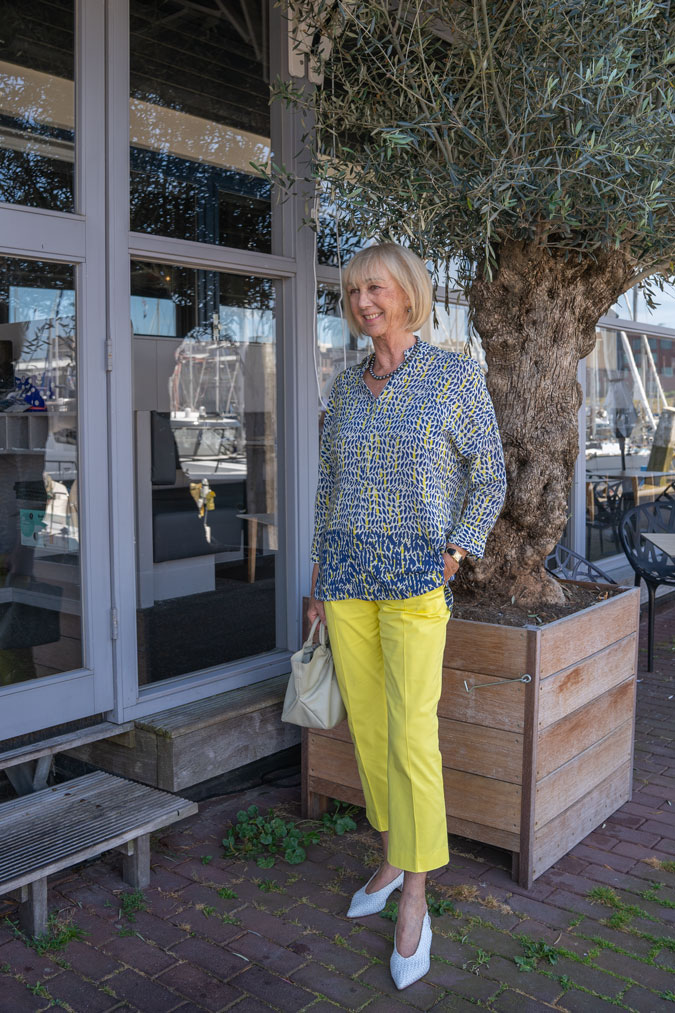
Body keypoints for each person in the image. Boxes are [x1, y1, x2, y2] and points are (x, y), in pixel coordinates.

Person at [307, 242, 507, 990]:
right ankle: (392, 854)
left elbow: (488, 475)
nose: (364, 301)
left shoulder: (453, 378)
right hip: (350, 580)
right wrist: (319, 578)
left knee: (412, 734)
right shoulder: (345, 386)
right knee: (367, 726)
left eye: (377, 288)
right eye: (354, 290)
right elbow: (328, 487)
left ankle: (416, 895)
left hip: (418, 581)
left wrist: (456, 549)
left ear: (408, 294)